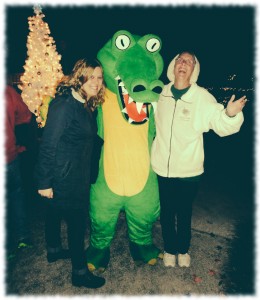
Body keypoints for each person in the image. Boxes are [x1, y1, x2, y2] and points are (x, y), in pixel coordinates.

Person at [151, 51, 247, 268]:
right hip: (163, 168)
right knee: (166, 212)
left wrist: (229, 114)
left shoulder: (201, 96)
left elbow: (219, 123)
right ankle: (169, 249)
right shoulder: (161, 92)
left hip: (189, 170)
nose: (183, 64)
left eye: (189, 62)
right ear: (173, 66)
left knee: (183, 212)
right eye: (180, 60)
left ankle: (183, 249)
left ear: (194, 70)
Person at [35, 58, 106, 288]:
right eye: (92, 76)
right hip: (65, 176)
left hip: (75, 173)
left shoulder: (85, 103)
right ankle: (79, 272)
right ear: (80, 76)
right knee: (77, 224)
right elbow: (48, 144)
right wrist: (44, 182)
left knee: (54, 213)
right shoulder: (65, 105)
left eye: (100, 77)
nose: (96, 82)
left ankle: (54, 249)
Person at [5, 85, 32, 257]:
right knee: (16, 196)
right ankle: (23, 237)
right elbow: (26, 116)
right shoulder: (7, 91)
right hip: (10, 156)